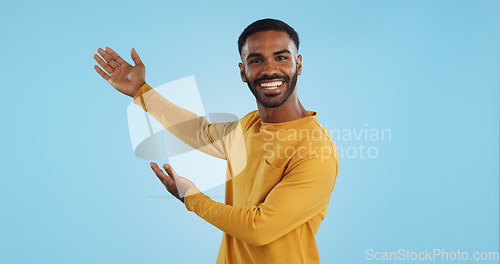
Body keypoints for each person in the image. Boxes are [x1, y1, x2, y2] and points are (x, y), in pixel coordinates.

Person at [93, 18, 339, 264]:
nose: (269, 69)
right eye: (256, 60)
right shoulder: (250, 125)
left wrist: (192, 198)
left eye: (281, 57)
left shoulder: (316, 149)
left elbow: (259, 228)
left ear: (299, 64)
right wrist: (140, 91)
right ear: (243, 71)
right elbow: (201, 132)